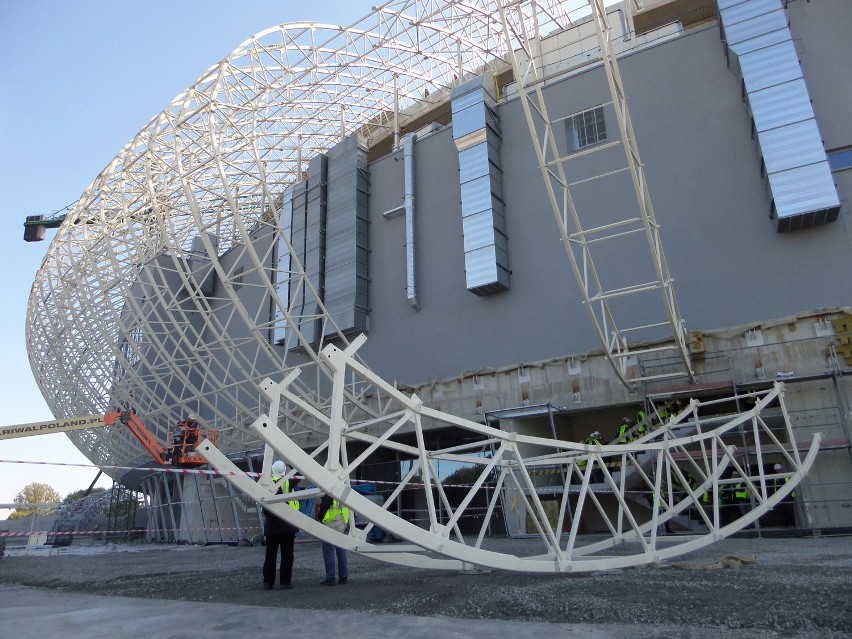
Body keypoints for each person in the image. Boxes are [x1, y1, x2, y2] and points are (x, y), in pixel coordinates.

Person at [262, 460, 300, 590]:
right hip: (288, 524)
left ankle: (268, 581)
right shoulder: (289, 481)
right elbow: (301, 472)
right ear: (285, 471)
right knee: (287, 555)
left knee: (270, 555)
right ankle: (285, 582)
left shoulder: (267, 482)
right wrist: (291, 463)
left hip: (272, 525)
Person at [317, 494, 350, 586]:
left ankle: (330, 577)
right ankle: (343, 577)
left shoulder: (327, 494)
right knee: (341, 551)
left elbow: (323, 510)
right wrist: (346, 525)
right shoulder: (340, 494)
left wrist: (320, 519)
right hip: (340, 525)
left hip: (328, 525)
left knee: (328, 552)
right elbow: (345, 510)